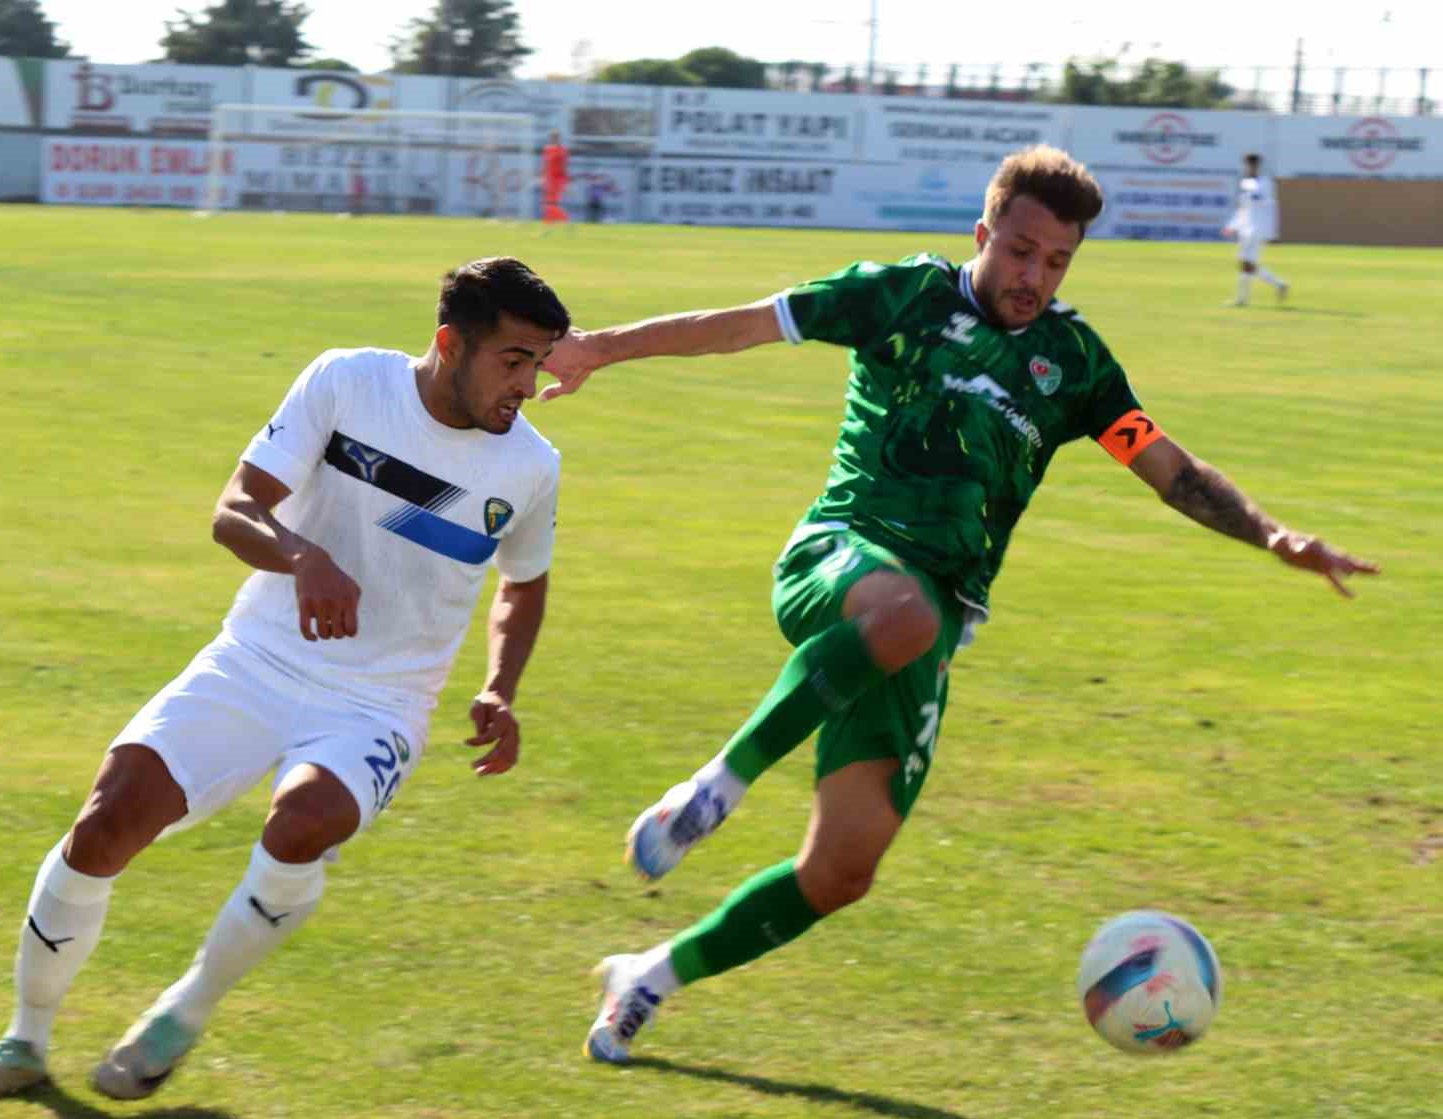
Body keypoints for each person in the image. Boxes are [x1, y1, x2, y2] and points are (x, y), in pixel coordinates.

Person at [536, 145, 1378, 1065]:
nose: (1034, 276)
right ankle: (710, 792)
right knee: (903, 617)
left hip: (931, 622)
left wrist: (1274, 536)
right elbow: (740, 326)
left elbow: (1168, 469)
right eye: (1020, 251)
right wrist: (599, 349)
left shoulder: (1075, 363)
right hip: (842, 555)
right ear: (984, 234)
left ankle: (648, 978)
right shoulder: (899, 296)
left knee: (841, 871)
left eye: (1056, 261)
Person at [0, 257, 571, 1102]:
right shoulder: (347, 383)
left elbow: (524, 582)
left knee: (301, 822)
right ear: (451, 343)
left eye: (541, 361)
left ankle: (185, 1010)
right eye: (513, 359)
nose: (529, 384)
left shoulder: (531, 466)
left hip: (380, 700)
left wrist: (500, 685)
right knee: (107, 817)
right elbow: (236, 507)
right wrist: (304, 558)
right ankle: (22, 1041)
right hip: (257, 657)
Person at [1221, 153, 1288, 306]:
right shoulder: (1247, 182)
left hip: (1257, 228)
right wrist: (1232, 225)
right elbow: (1244, 207)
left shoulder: (1265, 182)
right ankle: (1279, 285)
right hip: (1246, 227)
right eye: (1247, 165)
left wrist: (1272, 233)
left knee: (1246, 262)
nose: (1249, 167)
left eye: (1251, 165)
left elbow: (1267, 203)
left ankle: (1242, 299)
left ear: (1257, 165)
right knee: (1247, 263)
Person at [540, 132, 570, 226]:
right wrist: (543, 177)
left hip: (557, 181)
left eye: (555, 138)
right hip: (548, 180)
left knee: (551, 204)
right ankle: (548, 227)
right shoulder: (547, 150)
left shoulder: (562, 151)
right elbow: (545, 165)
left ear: (558, 139)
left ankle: (566, 220)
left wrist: (565, 183)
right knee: (547, 205)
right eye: (552, 138)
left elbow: (564, 167)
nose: (553, 139)